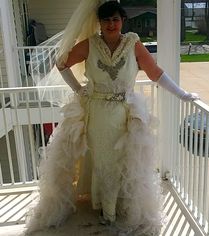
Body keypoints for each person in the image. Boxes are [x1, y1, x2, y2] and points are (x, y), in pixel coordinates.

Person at [26, 1, 199, 235]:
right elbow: (62, 63)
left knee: (123, 161)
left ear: (123, 21)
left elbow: (155, 73)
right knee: (103, 160)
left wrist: (182, 93)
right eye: (106, 19)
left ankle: (117, 204)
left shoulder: (133, 44)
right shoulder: (90, 44)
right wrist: (78, 89)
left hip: (126, 115)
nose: (111, 24)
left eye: (115, 19)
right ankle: (106, 209)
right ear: (99, 22)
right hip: (97, 114)